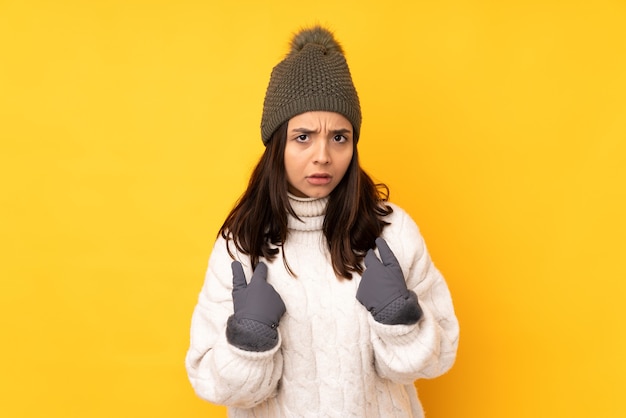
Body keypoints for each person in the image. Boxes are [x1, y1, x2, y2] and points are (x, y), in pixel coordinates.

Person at [185, 26, 459, 417]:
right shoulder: (241, 243)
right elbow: (211, 384)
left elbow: (438, 359)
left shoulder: (390, 232)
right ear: (277, 142)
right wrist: (247, 342)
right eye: (303, 137)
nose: (323, 155)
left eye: (339, 137)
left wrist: (400, 320)